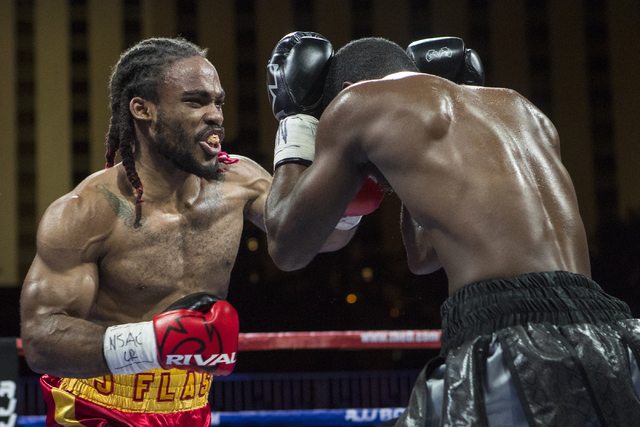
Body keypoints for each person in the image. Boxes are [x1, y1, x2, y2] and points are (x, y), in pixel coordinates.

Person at [264, 32, 640, 426]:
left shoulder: (355, 104)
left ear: (347, 90)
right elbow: (422, 258)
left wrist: (296, 119)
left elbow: (288, 247)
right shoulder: (522, 109)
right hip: (613, 336)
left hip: (512, 343)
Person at [19, 37, 353, 427]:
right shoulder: (88, 211)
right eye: (196, 102)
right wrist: (154, 343)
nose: (215, 116)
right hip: (97, 409)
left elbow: (321, 237)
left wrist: (352, 184)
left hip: (191, 407)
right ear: (143, 110)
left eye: (218, 103)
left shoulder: (241, 181)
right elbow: (41, 339)